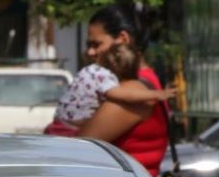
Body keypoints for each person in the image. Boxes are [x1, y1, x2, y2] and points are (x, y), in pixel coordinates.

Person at [77, 3, 170, 177]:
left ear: (123, 39)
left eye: (96, 44)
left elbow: (76, 150)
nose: (90, 52)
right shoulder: (148, 80)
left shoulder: (131, 91)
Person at [46, 43, 174, 137]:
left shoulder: (89, 69)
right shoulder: (106, 77)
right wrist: (155, 94)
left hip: (58, 123)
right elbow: (126, 95)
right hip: (69, 129)